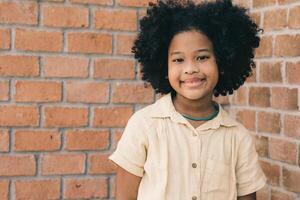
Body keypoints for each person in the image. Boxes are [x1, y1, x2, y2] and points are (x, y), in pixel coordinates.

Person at [109, 0, 267, 199]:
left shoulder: (238, 137)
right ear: (163, 67)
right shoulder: (144, 126)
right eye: (178, 60)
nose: (190, 68)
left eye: (202, 57)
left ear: (223, 61)